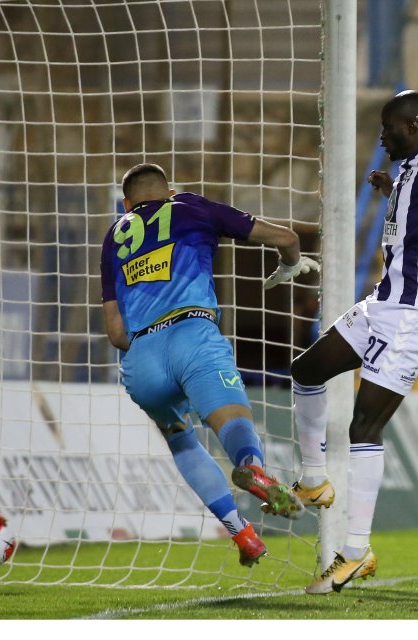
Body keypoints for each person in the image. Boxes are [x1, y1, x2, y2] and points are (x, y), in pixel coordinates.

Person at [273, 89, 418, 594]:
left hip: (413, 316)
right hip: (383, 304)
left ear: (415, 128)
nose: (381, 136)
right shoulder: (413, 170)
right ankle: (314, 479)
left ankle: (356, 553)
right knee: (307, 370)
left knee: (364, 425)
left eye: (388, 128)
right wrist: (394, 191)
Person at [99, 163, 320, 567]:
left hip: (142, 359)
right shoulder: (189, 207)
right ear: (169, 192)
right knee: (233, 423)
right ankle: (252, 468)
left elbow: (115, 332)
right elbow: (286, 238)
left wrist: (150, 344)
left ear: (127, 204)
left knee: (181, 440)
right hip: (193, 334)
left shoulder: (114, 236)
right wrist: (290, 263)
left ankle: (242, 534)